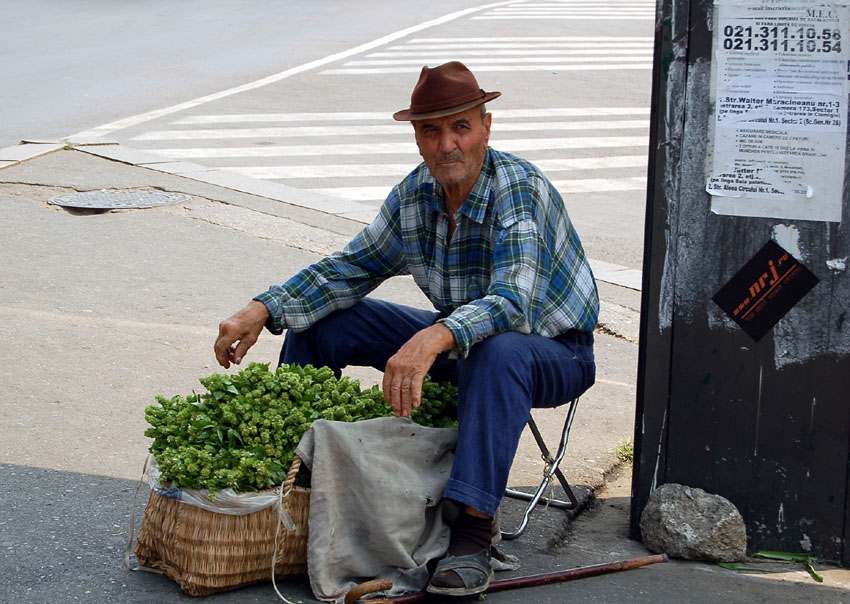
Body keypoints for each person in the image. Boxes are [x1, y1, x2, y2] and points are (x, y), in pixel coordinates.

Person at [214, 61, 599, 597]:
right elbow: (349, 269)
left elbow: (513, 302)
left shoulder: (519, 189)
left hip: (551, 351)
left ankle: (470, 531)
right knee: (326, 316)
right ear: (416, 137)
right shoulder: (416, 195)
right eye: (431, 130)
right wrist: (261, 308)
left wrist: (433, 338)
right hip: (460, 341)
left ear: (486, 127)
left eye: (460, 127)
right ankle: (300, 485)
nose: (447, 144)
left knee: (499, 350)